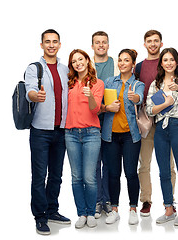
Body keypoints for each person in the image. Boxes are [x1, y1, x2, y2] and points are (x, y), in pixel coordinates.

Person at [135, 30, 178, 217]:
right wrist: (164, 104)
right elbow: (148, 105)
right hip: (152, 124)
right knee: (152, 167)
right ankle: (156, 204)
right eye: (149, 41)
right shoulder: (146, 74)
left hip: (174, 127)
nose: (168, 63)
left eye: (156, 41)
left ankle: (177, 207)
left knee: (176, 168)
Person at [25, 29, 71, 235]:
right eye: (47, 42)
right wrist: (36, 95)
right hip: (40, 131)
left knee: (56, 175)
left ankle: (53, 210)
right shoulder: (34, 68)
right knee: (39, 175)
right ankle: (40, 216)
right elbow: (29, 90)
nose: (51, 45)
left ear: (60, 45)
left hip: (61, 130)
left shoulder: (64, 69)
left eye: (55, 42)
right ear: (41, 45)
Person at [146, 47, 178, 226]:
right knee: (164, 172)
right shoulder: (155, 85)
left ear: (177, 62)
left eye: (172, 59)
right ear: (161, 63)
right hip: (161, 131)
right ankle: (168, 209)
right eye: (165, 60)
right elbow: (149, 109)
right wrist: (165, 103)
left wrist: (177, 88)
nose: (169, 63)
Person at [101, 49, 145, 225]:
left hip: (130, 136)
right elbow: (102, 104)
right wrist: (107, 106)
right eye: (120, 60)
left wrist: (135, 98)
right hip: (110, 135)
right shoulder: (109, 81)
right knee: (113, 173)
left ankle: (133, 208)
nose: (122, 63)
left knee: (131, 173)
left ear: (133, 64)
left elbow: (140, 98)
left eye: (126, 60)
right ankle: (114, 209)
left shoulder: (137, 84)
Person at [65, 49, 104, 229]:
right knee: (76, 177)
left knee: (89, 177)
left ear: (88, 61)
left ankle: (90, 212)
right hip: (71, 133)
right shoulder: (69, 83)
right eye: (74, 61)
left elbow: (95, 110)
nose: (78, 63)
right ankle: (81, 213)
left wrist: (89, 96)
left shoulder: (97, 83)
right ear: (72, 65)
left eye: (81, 59)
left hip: (91, 133)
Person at [91, 31, 119, 218]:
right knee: (94, 163)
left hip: (111, 120)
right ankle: (96, 201)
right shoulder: (87, 65)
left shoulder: (116, 65)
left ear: (108, 45)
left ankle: (107, 201)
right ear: (92, 46)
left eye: (104, 42)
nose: (101, 45)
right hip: (91, 120)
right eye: (97, 42)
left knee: (108, 163)